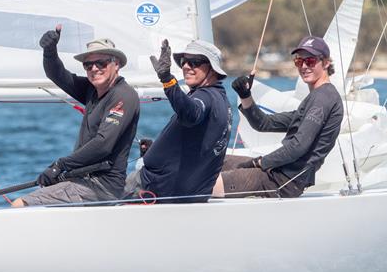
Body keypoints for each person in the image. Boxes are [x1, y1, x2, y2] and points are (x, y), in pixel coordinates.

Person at [12, 25, 139, 207]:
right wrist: (49, 51)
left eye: (101, 63)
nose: (94, 68)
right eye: (88, 65)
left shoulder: (123, 95)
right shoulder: (92, 89)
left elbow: (103, 145)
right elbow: (58, 75)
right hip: (81, 179)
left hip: (101, 187)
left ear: (116, 64)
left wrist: (60, 165)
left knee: (20, 204)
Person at [213, 35, 343, 199]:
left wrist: (260, 162)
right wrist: (245, 95)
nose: (303, 66)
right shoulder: (315, 98)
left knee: (204, 184)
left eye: (310, 61)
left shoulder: (323, 98)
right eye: (299, 61)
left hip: (283, 181)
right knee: (216, 160)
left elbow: (298, 147)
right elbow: (263, 123)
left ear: (325, 63)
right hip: (275, 172)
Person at [125, 39, 231, 203]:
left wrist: (167, 79)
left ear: (212, 68)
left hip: (155, 190)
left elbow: (191, 114)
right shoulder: (221, 99)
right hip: (187, 194)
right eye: (184, 62)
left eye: (195, 62)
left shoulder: (205, 97)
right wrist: (159, 152)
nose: (187, 67)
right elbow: (197, 142)